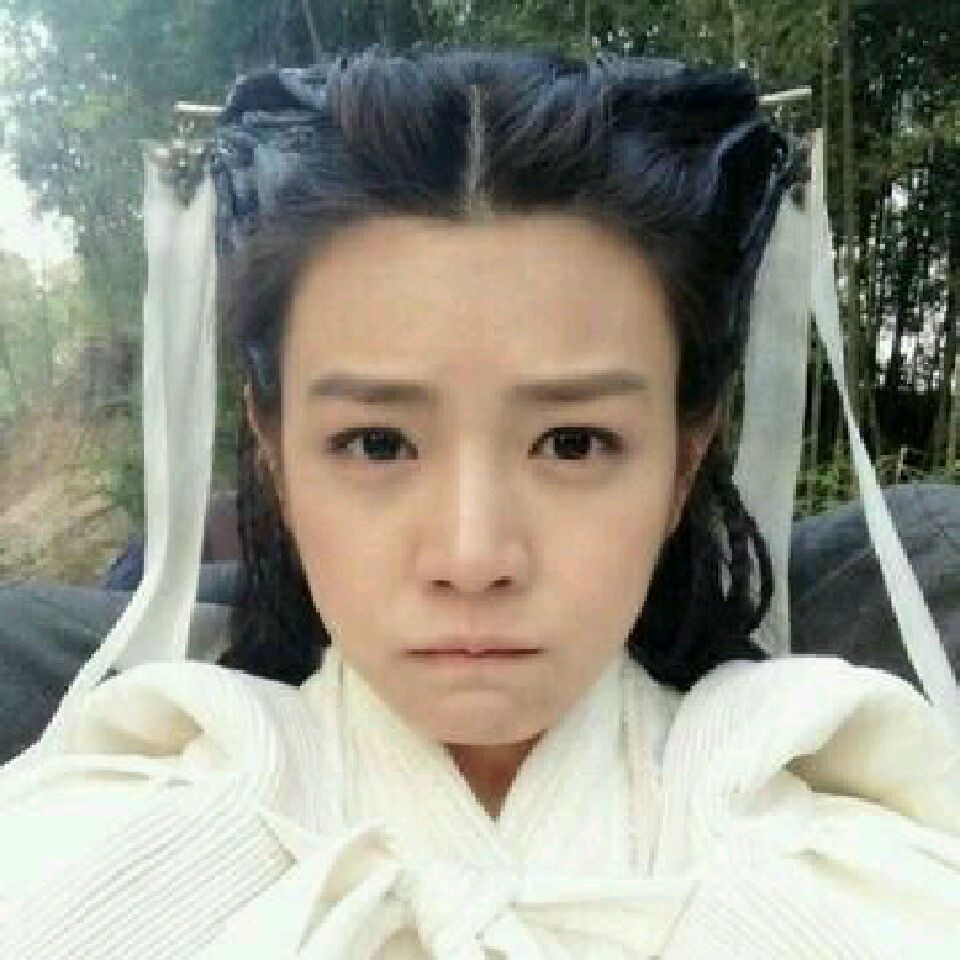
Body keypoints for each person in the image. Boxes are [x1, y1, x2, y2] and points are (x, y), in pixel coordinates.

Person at [1, 46, 957, 958]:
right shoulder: (121, 813)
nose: (472, 557)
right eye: (378, 444)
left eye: (573, 443)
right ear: (276, 456)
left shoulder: (845, 823)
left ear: (682, 460)